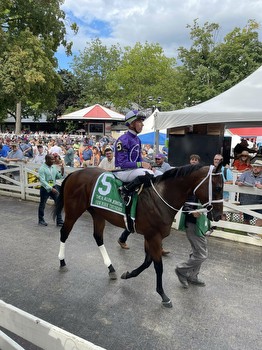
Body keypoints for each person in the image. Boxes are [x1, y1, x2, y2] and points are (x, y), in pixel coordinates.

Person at [115, 110, 167, 254]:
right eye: (140, 122)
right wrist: (141, 165)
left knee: (158, 174)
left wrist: (146, 163)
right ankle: (125, 191)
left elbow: (138, 160)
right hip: (123, 172)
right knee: (147, 174)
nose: (142, 124)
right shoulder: (122, 140)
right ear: (132, 123)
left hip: (134, 171)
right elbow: (122, 163)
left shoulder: (137, 140)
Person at [175, 154, 209, 288]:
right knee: (201, 254)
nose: (193, 161)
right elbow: (185, 199)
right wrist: (191, 211)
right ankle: (181, 270)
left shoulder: (200, 180)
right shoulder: (188, 180)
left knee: (198, 251)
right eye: (192, 160)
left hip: (201, 222)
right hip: (192, 221)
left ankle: (193, 275)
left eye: (196, 160)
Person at [235, 159, 262, 239]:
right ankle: (250, 232)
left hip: (259, 202)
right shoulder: (246, 173)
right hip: (246, 201)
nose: (255, 168)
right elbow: (237, 181)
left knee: (261, 217)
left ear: (261, 168)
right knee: (246, 218)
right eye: (254, 166)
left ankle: (254, 232)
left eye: (258, 167)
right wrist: (239, 183)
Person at [38, 154, 64, 226]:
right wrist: (51, 188)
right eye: (52, 159)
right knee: (42, 204)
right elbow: (42, 181)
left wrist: (62, 170)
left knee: (58, 204)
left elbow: (58, 176)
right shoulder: (42, 169)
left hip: (53, 187)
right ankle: (41, 220)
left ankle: (59, 221)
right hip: (45, 189)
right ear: (47, 160)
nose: (54, 160)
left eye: (53, 159)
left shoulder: (54, 167)